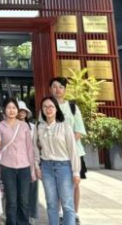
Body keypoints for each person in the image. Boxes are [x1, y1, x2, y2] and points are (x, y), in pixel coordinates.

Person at [34, 96, 80, 225]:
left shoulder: (65, 126)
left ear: (56, 109)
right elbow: (34, 147)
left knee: (67, 203)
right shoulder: (39, 127)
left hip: (64, 167)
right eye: (45, 107)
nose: (48, 109)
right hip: (46, 167)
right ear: (42, 110)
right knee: (51, 203)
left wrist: (76, 172)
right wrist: (37, 167)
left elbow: (73, 150)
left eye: (51, 106)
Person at [50, 77, 87, 224]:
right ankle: (60, 212)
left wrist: (66, 146)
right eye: (54, 87)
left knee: (75, 184)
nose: (58, 90)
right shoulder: (47, 107)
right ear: (50, 89)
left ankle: (74, 213)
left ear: (65, 90)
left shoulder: (72, 107)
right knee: (57, 184)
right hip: (55, 154)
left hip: (75, 153)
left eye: (61, 87)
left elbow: (79, 131)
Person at [0, 98, 35, 225]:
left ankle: (23, 222)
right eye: (9, 107)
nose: (11, 110)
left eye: (14, 108)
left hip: (24, 167)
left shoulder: (24, 126)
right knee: (11, 201)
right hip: (7, 167)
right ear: (4, 109)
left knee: (24, 200)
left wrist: (32, 170)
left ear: (17, 110)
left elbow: (29, 148)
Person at [18, 100, 38, 225]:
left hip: (31, 161)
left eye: (23, 111)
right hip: (16, 162)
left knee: (32, 189)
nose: (21, 113)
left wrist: (36, 163)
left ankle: (32, 215)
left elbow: (36, 145)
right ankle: (20, 215)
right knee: (19, 191)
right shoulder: (11, 125)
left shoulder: (33, 127)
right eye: (19, 111)